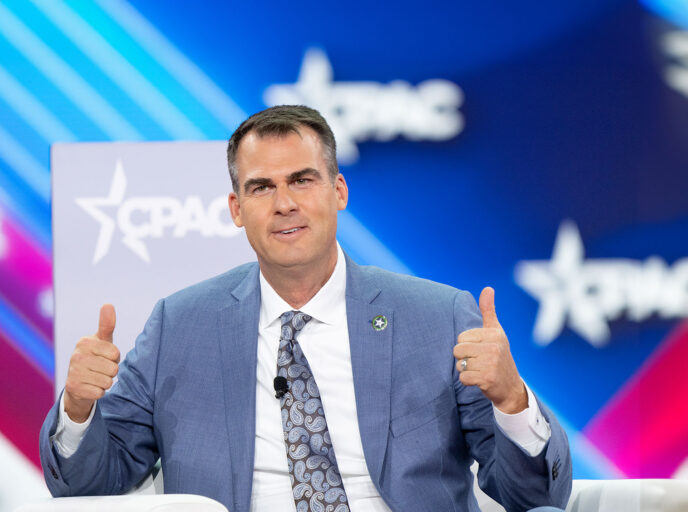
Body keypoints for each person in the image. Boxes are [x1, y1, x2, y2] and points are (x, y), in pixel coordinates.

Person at [39, 105, 571, 512]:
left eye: (302, 179)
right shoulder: (180, 326)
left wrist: (511, 401)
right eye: (261, 187)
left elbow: (533, 496)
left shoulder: (437, 317)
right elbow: (92, 487)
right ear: (236, 209)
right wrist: (80, 411)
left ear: (338, 190)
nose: (284, 203)